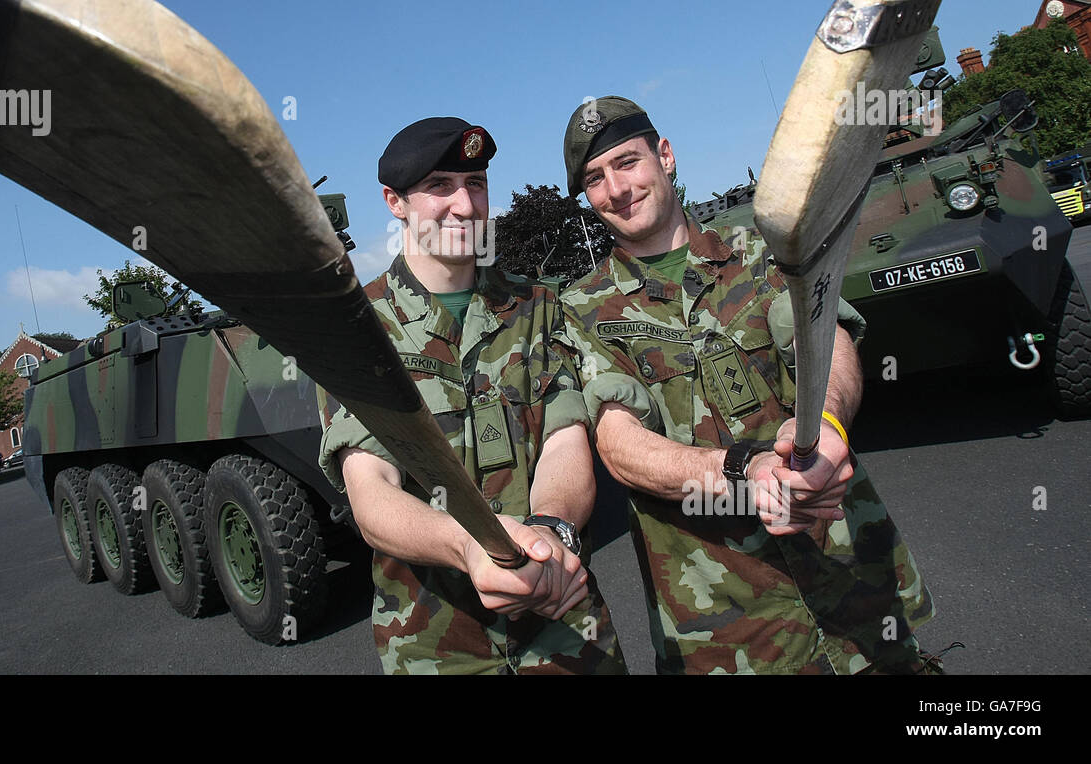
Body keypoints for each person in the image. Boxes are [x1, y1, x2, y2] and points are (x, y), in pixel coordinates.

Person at [558, 95, 934, 674]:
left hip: (851, 579)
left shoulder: (763, 252)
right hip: (727, 628)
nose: (617, 188)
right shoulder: (582, 311)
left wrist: (825, 422)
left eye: (628, 161)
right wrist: (743, 471)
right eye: (595, 178)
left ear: (665, 155)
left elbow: (823, 340)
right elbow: (619, 442)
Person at [317, 116, 627, 675]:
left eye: (476, 183)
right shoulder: (358, 333)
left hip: (568, 631)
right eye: (440, 186)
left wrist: (549, 535)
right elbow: (372, 493)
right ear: (395, 202)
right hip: (438, 648)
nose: (465, 204)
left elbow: (564, 439)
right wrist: (469, 549)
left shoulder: (537, 308)